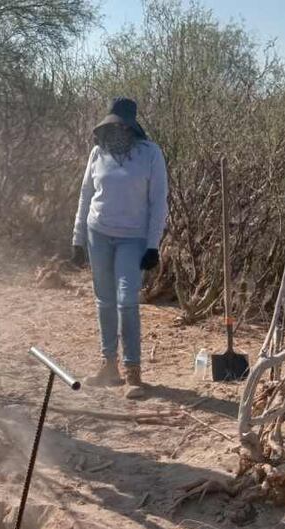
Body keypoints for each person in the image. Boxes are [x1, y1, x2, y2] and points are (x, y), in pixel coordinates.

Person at [71, 97, 168, 393]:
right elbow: (86, 195)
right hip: (97, 233)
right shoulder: (98, 153)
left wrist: (153, 245)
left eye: (122, 125)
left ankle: (132, 371)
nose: (117, 130)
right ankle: (108, 365)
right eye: (113, 125)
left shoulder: (150, 154)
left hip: (133, 238)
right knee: (104, 301)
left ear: (132, 127)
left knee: (127, 301)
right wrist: (77, 238)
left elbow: (158, 202)